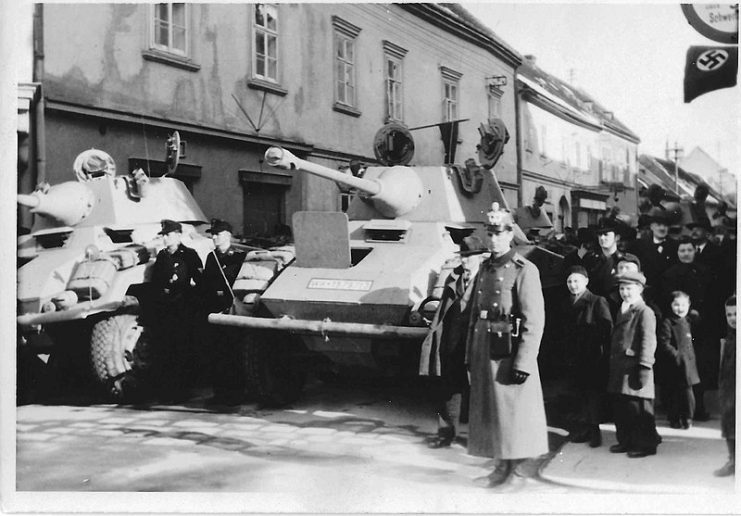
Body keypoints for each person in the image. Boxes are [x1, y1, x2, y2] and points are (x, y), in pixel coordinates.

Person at [464, 203, 548, 487]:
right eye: (491, 233)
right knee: (490, 410)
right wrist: (470, 355)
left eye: (500, 233)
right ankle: (500, 463)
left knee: (510, 412)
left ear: (511, 234)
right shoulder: (486, 267)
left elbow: (533, 320)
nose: (494, 239)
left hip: (507, 350)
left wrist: (524, 362)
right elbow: (474, 313)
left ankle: (512, 468)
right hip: (484, 346)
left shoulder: (525, 269)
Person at [607, 270, 661, 458]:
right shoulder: (623, 308)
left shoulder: (644, 312)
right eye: (622, 288)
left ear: (639, 289)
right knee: (623, 409)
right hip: (621, 368)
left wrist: (645, 366)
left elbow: (648, 340)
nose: (625, 292)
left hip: (635, 367)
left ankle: (646, 445)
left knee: (639, 410)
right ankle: (626, 441)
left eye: (629, 288)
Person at [150, 219, 203, 401]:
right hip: (166, 309)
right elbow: (156, 282)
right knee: (167, 350)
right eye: (163, 235)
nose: (165, 238)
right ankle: (169, 390)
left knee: (182, 349)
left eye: (168, 235)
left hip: (183, 307)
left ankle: (184, 390)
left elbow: (199, 281)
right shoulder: (162, 256)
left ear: (179, 235)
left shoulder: (189, 254)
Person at [199, 219, 247, 407]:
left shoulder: (238, 256)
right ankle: (220, 393)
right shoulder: (212, 257)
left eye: (217, 234)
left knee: (233, 353)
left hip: (231, 310)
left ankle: (235, 394)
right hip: (214, 310)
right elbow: (206, 284)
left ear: (227, 235)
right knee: (217, 354)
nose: (214, 237)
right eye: (212, 234)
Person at [563, 265, 613, 447]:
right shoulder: (566, 302)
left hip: (592, 357)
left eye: (576, 281)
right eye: (569, 281)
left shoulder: (597, 301)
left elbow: (607, 330)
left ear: (586, 282)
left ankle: (594, 432)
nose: (573, 285)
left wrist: (601, 353)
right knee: (579, 395)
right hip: (573, 357)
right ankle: (582, 430)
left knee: (593, 396)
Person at [655, 291, 700, 429]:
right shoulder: (668, 322)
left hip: (688, 363)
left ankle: (688, 417)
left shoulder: (689, 321)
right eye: (676, 305)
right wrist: (676, 355)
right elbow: (664, 342)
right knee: (673, 393)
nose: (680, 308)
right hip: (673, 364)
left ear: (689, 305)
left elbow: (693, 339)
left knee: (687, 392)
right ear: (671, 305)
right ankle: (674, 418)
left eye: (683, 305)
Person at [628, 208, 677, 289]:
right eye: (658, 225)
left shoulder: (675, 246)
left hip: (667, 289)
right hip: (644, 288)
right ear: (651, 227)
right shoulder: (639, 245)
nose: (662, 228)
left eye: (665, 225)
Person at [715, 295, 736, 477]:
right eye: (729, 315)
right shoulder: (730, 338)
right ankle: (733, 460)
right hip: (729, 391)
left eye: (737, 314)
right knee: (729, 426)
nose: (733, 318)